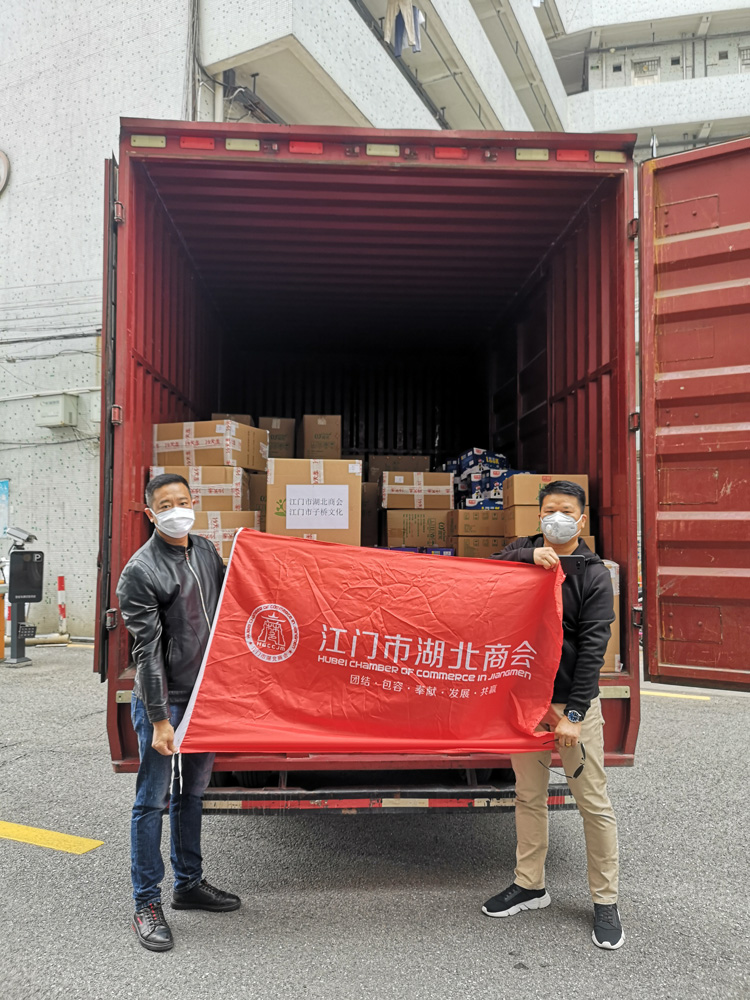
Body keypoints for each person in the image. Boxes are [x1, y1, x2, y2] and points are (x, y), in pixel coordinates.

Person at [482, 480, 624, 950]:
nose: (555, 518)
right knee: (529, 795)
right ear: (539, 515)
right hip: (525, 703)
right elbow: (480, 575)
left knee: (593, 803)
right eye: (548, 510)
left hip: (570, 706)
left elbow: (594, 647)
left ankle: (605, 901)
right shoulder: (520, 552)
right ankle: (530, 884)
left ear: (581, 520)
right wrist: (529, 557)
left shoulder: (594, 574)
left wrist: (575, 714)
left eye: (565, 510)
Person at [116, 472, 240, 952]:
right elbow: (147, 652)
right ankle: (146, 902)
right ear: (151, 514)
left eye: (183, 502)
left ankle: (188, 883)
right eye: (165, 505)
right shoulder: (141, 570)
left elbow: (235, 603)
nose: (176, 511)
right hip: (166, 700)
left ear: (194, 504)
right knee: (152, 800)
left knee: (192, 794)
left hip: (204, 696)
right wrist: (159, 719)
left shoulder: (205, 551)